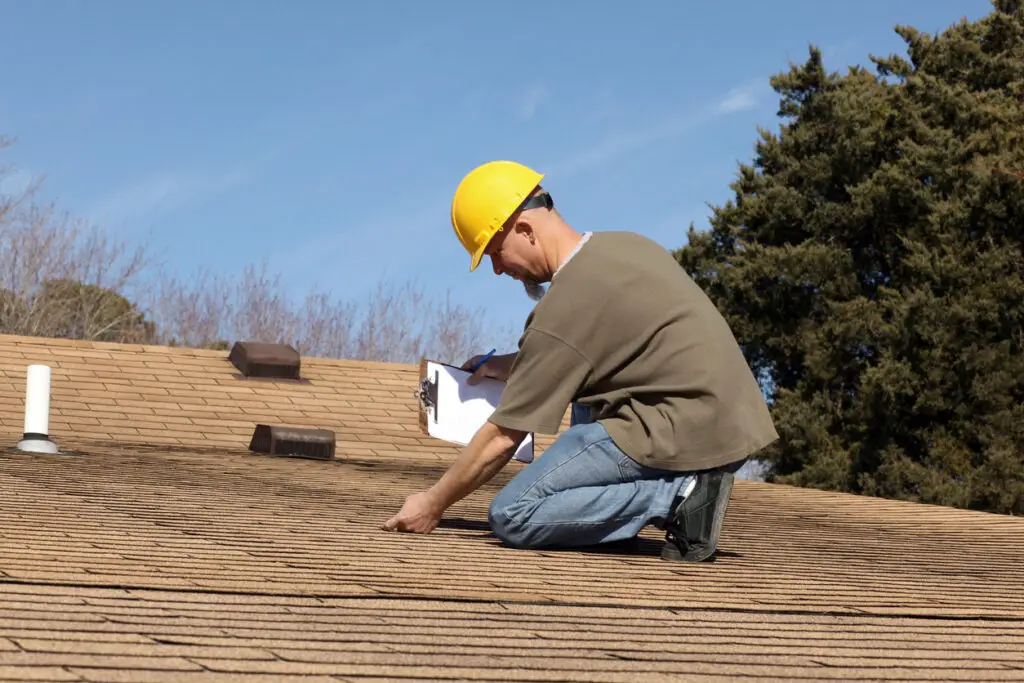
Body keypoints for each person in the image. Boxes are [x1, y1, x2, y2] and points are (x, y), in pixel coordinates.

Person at [382, 160, 778, 562]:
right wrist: (509, 364)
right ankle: (616, 522)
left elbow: (503, 436)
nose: (499, 269)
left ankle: (679, 497)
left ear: (524, 230)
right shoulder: (624, 246)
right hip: (727, 421)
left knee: (512, 514)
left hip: (681, 430)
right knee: (584, 396)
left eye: (494, 253)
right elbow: (588, 348)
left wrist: (433, 501)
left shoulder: (564, 306)